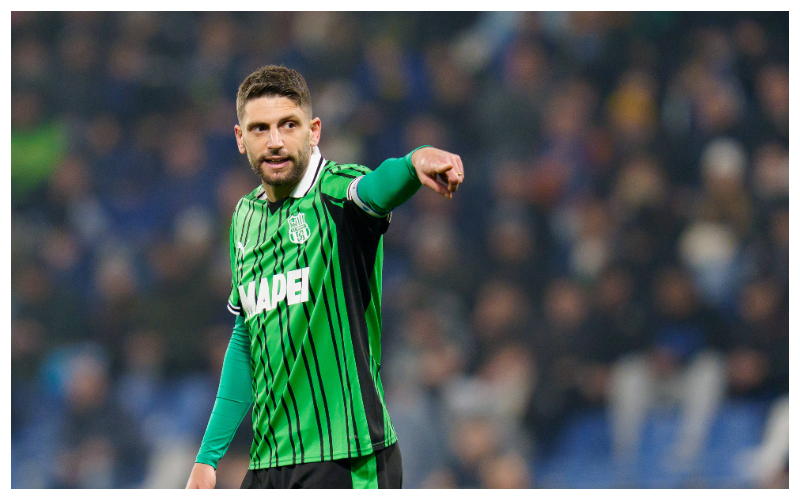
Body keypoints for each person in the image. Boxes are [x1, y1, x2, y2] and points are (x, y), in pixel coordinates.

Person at [185, 65, 464, 489]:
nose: (275, 141)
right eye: (260, 129)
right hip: (269, 462)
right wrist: (208, 458)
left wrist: (414, 162)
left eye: (288, 125)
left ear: (313, 131)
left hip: (348, 458)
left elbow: (375, 188)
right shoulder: (244, 218)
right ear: (241, 140)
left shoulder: (335, 193)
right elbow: (247, 337)